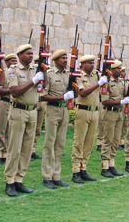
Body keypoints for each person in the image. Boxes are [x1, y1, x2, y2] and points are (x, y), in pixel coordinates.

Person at [3, 44, 42, 196]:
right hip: (18, 110)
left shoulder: (35, 70)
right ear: (19, 55)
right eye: (27, 54)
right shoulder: (13, 71)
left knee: (27, 148)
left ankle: (19, 179)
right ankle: (10, 180)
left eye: (32, 54)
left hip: (32, 111)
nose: (31, 56)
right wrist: (33, 81)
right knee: (15, 147)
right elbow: (14, 91)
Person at [40, 49, 75, 189]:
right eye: (62, 58)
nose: (65, 61)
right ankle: (47, 176)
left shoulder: (69, 74)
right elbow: (43, 95)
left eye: (66, 58)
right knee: (50, 143)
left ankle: (56, 175)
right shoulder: (49, 74)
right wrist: (61, 98)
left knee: (60, 144)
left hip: (65, 110)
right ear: (55, 60)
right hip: (53, 109)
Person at [71, 55, 106, 183]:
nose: (92, 65)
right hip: (82, 111)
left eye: (93, 63)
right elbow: (82, 93)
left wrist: (101, 81)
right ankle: (75, 171)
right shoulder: (79, 76)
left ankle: (83, 168)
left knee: (89, 142)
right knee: (79, 141)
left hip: (95, 112)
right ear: (82, 64)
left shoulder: (96, 75)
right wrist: (98, 84)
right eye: (89, 63)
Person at [100, 60, 129, 178]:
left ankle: (111, 164)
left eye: (120, 68)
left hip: (119, 113)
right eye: (117, 68)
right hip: (110, 112)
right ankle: (105, 166)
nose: (119, 70)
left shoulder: (121, 83)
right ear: (111, 70)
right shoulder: (106, 83)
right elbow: (105, 101)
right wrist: (120, 102)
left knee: (116, 140)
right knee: (108, 139)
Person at [0, 53, 18, 165]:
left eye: (15, 60)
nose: (14, 63)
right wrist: (14, 90)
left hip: (13, 103)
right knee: (1, 129)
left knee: (10, 130)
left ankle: (6, 153)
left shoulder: (15, 73)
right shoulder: (2, 73)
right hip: (4, 102)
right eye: (12, 61)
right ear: (7, 62)